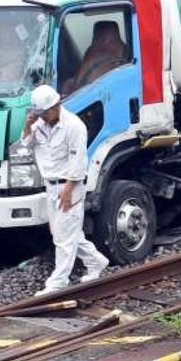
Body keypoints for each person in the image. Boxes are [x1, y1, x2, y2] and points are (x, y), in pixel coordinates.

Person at [22, 85, 108, 296]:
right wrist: (28, 126)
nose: (42, 116)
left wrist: (68, 190)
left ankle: (58, 281)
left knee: (64, 238)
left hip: (69, 185)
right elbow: (26, 145)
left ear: (56, 105)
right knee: (65, 233)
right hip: (50, 185)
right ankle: (96, 261)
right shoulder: (40, 123)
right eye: (38, 113)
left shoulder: (74, 126)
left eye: (44, 112)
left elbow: (78, 161)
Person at [72, 20, 127, 90]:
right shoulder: (91, 51)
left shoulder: (122, 52)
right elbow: (80, 76)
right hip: (84, 92)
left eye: (104, 33)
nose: (100, 35)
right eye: (99, 33)